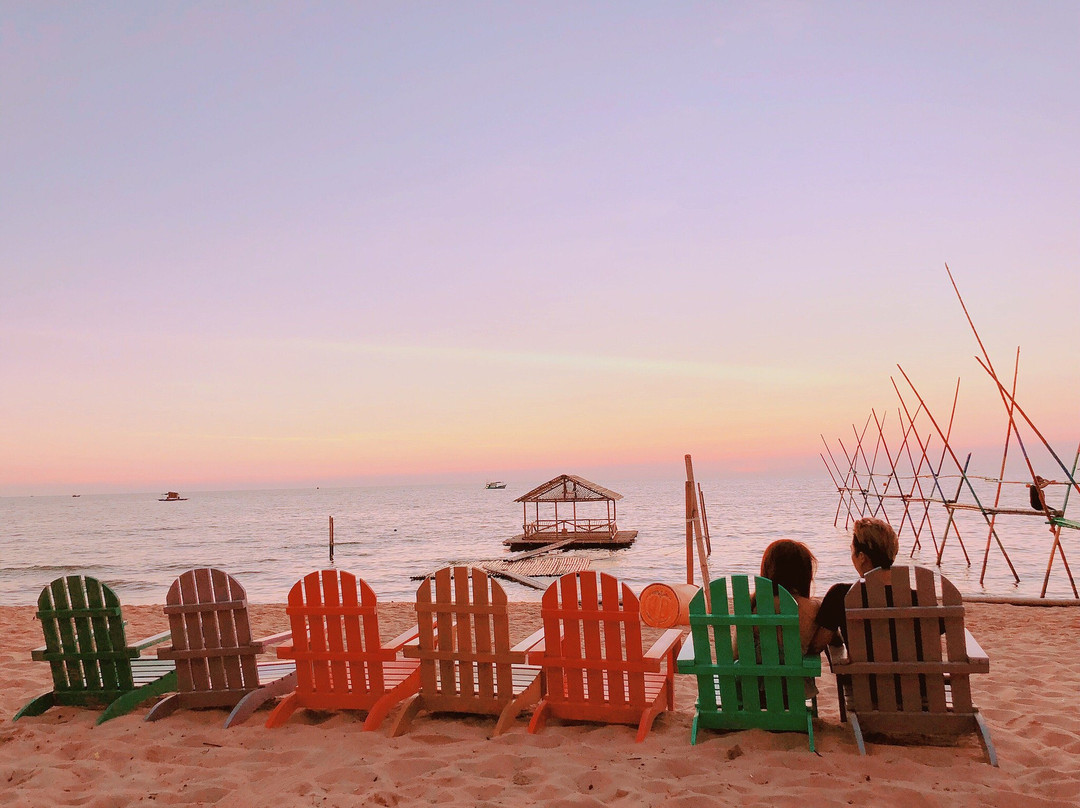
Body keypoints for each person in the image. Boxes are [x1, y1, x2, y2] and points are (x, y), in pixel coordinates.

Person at [807, 517, 899, 654]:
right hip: (914, 669)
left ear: (861, 557)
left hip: (861, 669)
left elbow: (817, 646)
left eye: (851, 550)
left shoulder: (841, 595)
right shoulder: (918, 597)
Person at [757, 539, 822, 656]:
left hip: (752, 667)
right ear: (805, 573)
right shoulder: (814, 608)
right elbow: (822, 643)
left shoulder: (752, 603)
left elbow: (736, 652)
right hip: (795, 667)